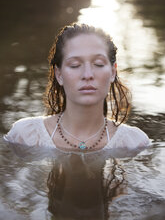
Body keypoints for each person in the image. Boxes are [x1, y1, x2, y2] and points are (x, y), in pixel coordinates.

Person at [4, 23, 150, 154]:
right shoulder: (24, 137)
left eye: (98, 64)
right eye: (74, 65)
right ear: (59, 74)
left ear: (113, 72)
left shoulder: (134, 144)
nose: (87, 75)